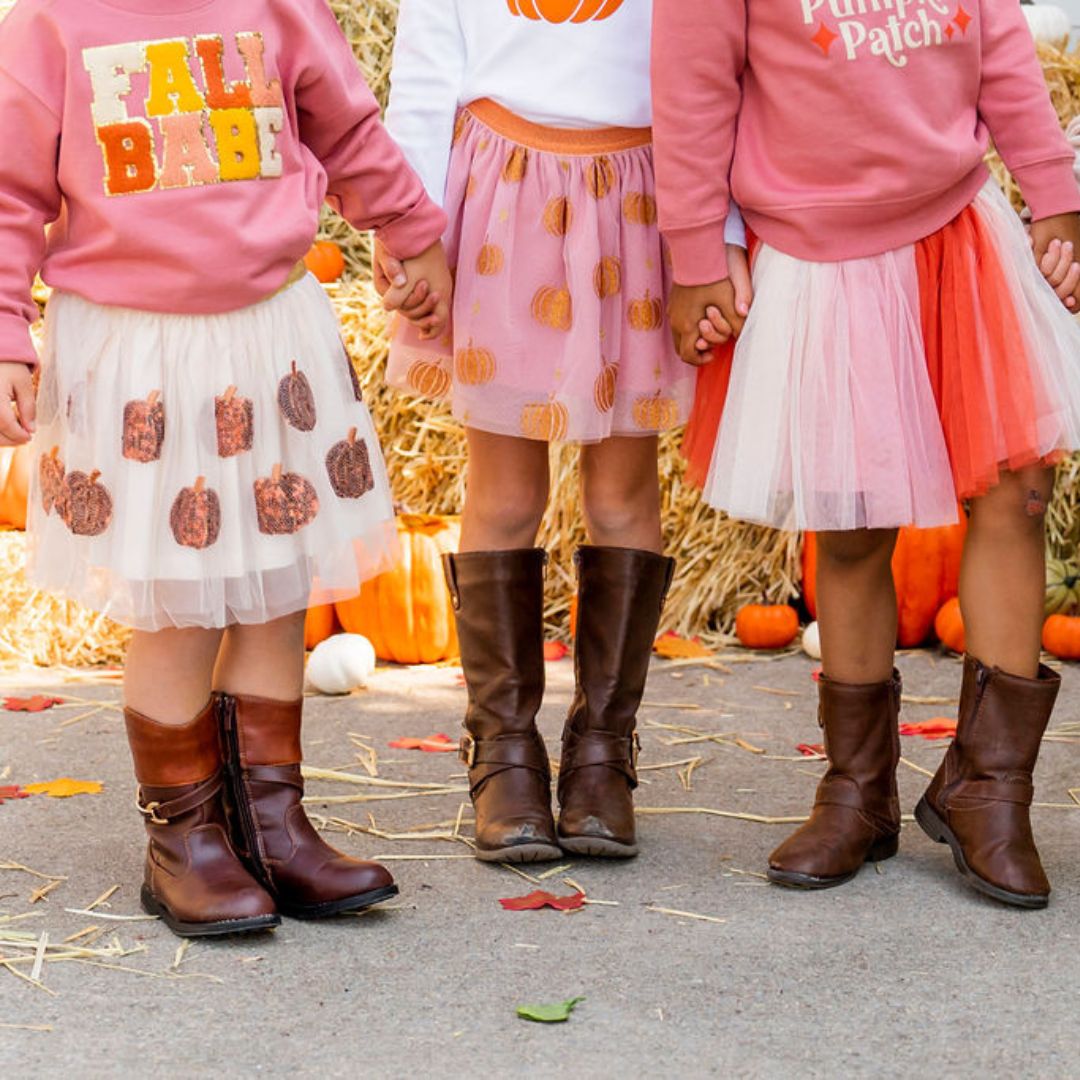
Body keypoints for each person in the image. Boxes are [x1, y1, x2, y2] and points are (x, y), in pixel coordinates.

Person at [0, 0, 452, 937]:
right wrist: (6, 331)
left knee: (274, 591)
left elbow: (348, 123)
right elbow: (6, 192)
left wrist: (407, 226)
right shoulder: (50, 21)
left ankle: (273, 826)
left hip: (267, 334)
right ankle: (185, 841)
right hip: (138, 353)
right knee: (177, 600)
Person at [653, 0, 1080, 908]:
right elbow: (692, 92)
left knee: (1016, 493)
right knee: (850, 523)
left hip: (957, 233)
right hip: (822, 256)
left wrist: (1057, 195)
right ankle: (858, 790)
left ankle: (992, 792)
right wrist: (695, 251)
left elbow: (999, 40)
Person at [378, 0, 749, 863]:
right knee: (506, 491)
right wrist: (408, 220)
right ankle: (502, 754)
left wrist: (719, 235)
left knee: (622, 492)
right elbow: (426, 81)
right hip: (503, 201)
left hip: (638, 205)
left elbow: (717, 88)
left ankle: (601, 756)